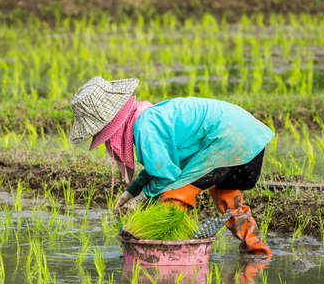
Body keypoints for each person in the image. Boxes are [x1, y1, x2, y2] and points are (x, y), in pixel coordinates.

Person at [69, 76, 273, 257]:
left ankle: (161, 255)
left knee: (174, 195)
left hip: (228, 140)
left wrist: (141, 199)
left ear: (110, 124)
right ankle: (257, 252)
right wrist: (131, 192)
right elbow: (159, 166)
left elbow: (166, 177)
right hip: (248, 138)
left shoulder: (145, 126)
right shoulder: (147, 116)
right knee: (228, 200)